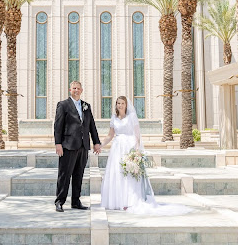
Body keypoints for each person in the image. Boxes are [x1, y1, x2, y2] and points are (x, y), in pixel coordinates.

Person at [100, 96, 192, 215]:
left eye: (122, 103)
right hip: (117, 149)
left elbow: (137, 135)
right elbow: (110, 135)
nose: (120, 105)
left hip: (129, 147)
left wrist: (137, 150)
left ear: (126, 105)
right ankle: (119, 201)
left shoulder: (131, 117)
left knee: (130, 174)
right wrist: (100, 145)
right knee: (118, 173)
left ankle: (130, 201)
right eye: (118, 103)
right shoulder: (114, 118)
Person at [54, 81, 101, 212]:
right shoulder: (63, 105)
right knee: (64, 175)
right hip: (68, 146)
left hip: (83, 146)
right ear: (70, 90)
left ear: (81, 90)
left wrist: (96, 142)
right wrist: (58, 143)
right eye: (74, 88)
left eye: (78, 88)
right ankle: (59, 201)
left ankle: (76, 201)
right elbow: (58, 125)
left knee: (78, 175)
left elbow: (92, 125)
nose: (76, 90)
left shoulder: (86, 106)